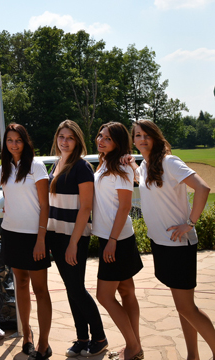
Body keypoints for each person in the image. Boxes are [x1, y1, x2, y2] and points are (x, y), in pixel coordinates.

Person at [124, 119, 215, 360]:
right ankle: (193, 356)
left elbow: (203, 188)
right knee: (184, 309)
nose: (142, 139)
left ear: (155, 136)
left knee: (187, 308)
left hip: (178, 244)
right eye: (138, 135)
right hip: (161, 244)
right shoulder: (145, 166)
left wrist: (190, 223)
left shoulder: (169, 161)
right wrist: (133, 164)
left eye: (146, 135)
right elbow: (141, 179)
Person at [46, 120, 108, 357]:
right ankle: (82, 338)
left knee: (77, 288)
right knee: (71, 288)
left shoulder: (81, 167)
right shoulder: (57, 164)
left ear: (78, 140)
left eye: (70, 137)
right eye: (61, 136)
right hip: (56, 234)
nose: (64, 141)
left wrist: (73, 242)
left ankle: (99, 337)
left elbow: (85, 207)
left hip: (74, 237)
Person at [0, 124, 52, 360]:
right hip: (10, 233)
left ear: (25, 141)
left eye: (18, 140)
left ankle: (44, 343)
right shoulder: (6, 166)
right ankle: (27, 336)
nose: (13, 144)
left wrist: (41, 238)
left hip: (34, 236)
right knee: (20, 284)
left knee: (40, 289)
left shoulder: (36, 166)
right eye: (9, 140)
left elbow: (45, 205)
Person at [91, 122, 143, 360]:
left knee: (104, 296)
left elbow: (125, 207)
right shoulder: (105, 163)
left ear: (118, 143)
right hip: (111, 237)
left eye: (108, 138)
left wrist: (112, 240)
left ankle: (132, 346)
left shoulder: (120, 169)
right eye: (101, 136)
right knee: (126, 291)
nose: (101, 140)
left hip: (117, 238)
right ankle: (135, 346)